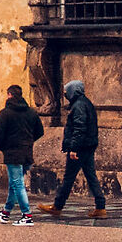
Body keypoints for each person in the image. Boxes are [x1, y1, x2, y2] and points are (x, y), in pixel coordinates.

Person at [50, 79, 105, 217]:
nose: (65, 94)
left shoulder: (79, 105)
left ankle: (57, 206)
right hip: (87, 146)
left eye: (67, 91)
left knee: (69, 178)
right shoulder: (85, 103)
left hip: (80, 147)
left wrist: (73, 148)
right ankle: (100, 207)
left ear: (73, 91)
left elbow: (79, 128)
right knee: (91, 176)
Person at [0, 84, 43, 224]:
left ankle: (27, 215)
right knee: (14, 183)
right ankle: (6, 212)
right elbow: (40, 131)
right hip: (27, 152)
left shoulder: (6, 113)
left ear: (9, 95)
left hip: (12, 153)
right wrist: (28, 141)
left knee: (18, 184)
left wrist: (1, 146)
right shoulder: (31, 112)